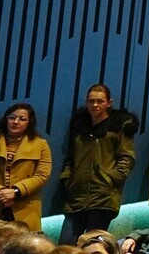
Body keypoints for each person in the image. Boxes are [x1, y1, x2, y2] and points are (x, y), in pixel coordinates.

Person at [58, 83, 140, 239]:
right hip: (76, 194)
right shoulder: (79, 126)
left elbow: (126, 157)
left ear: (109, 103)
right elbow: (71, 157)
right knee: (66, 243)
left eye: (100, 101)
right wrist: (67, 179)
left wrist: (111, 178)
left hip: (104, 196)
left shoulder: (119, 126)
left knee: (93, 243)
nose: (95, 105)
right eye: (91, 101)